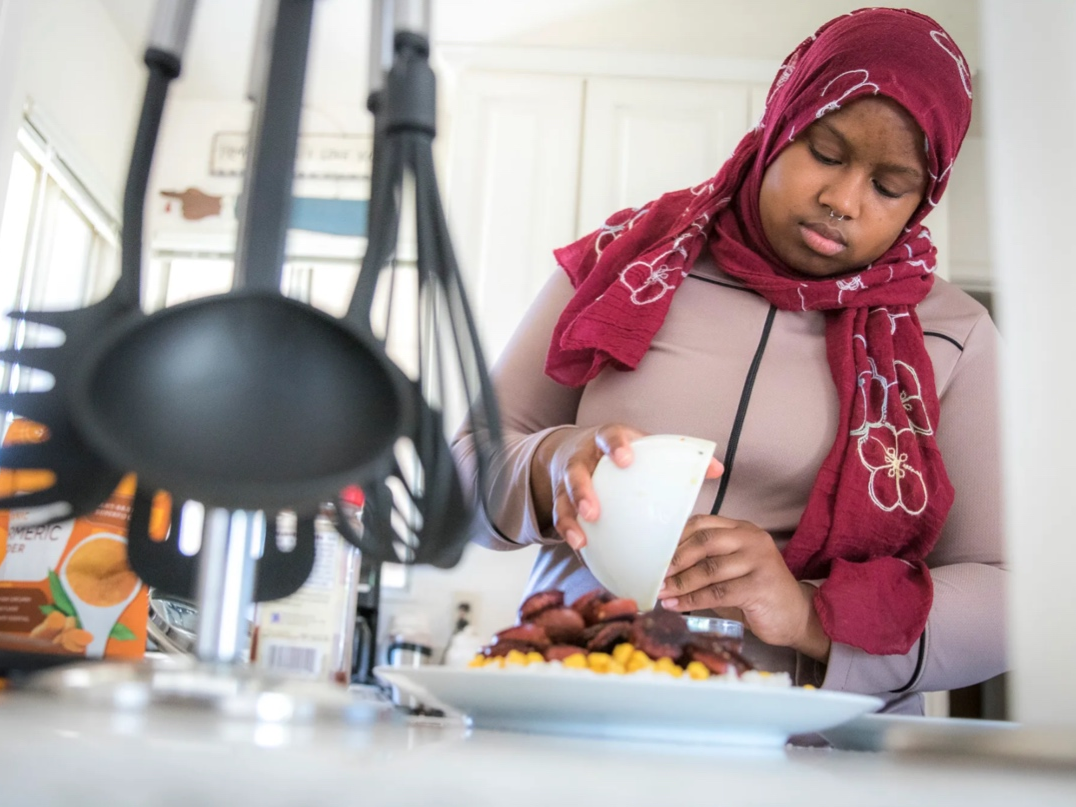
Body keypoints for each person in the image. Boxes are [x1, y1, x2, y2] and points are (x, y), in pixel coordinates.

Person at [452, 7, 1005, 714]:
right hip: (579, 712)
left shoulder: (954, 335)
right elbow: (461, 474)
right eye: (826, 153)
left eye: (888, 186)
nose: (842, 199)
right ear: (781, 120)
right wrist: (548, 466)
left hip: (816, 753)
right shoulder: (621, 263)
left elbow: (1013, 593)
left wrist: (808, 612)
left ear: (921, 200)